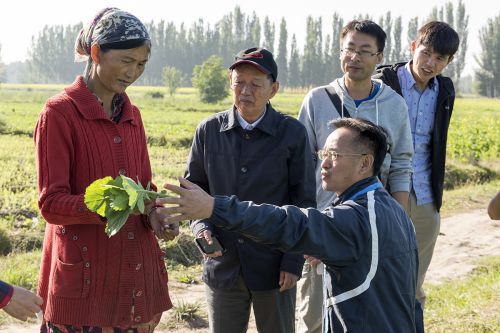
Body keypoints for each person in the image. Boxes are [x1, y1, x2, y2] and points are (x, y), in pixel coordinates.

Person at [159, 117, 418, 333]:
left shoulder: (355, 218)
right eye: (323, 154)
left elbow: (287, 223)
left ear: (365, 163)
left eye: (335, 155)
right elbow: (411, 303)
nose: (324, 164)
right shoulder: (392, 210)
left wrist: (214, 208)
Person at [34, 8, 178, 332]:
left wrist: (155, 214)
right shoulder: (59, 113)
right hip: (85, 285)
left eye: (141, 64)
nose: (133, 72)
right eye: (126, 61)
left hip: (135, 279)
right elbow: (51, 203)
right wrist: (108, 204)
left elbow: (144, 187)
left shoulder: (132, 115)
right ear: (97, 52)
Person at [183, 47, 316, 333]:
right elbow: (195, 189)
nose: (246, 90)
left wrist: (292, 261)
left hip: (274, 266)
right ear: (230, 83)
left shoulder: (291, 133)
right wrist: (201, 229)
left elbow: (303, 201)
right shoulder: (208, 131)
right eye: (239, 82)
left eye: (256, 84)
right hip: (223, 263)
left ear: (274, 89)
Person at [296, 19, 413, 332]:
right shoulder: (317, 100)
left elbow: (401, 166)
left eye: (365, 51)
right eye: (350, 49)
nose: (356, 57)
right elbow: (302, 166)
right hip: (325, 223)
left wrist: (397, 224)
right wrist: (311, 228)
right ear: (340, 52)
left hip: (372, 225)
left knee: (365, 313)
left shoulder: (394, 105)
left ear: (379, 57)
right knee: (315, 316)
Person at [373, 21, 460, 307]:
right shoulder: (384, 82)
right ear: (413, 47)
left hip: (424, 194)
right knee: (378, 271)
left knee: (414, 280)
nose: (430, 63)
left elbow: (436, 142)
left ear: (448, 62)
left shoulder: (445, 89)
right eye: (426, 53)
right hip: (382, 192)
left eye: (440, 59)